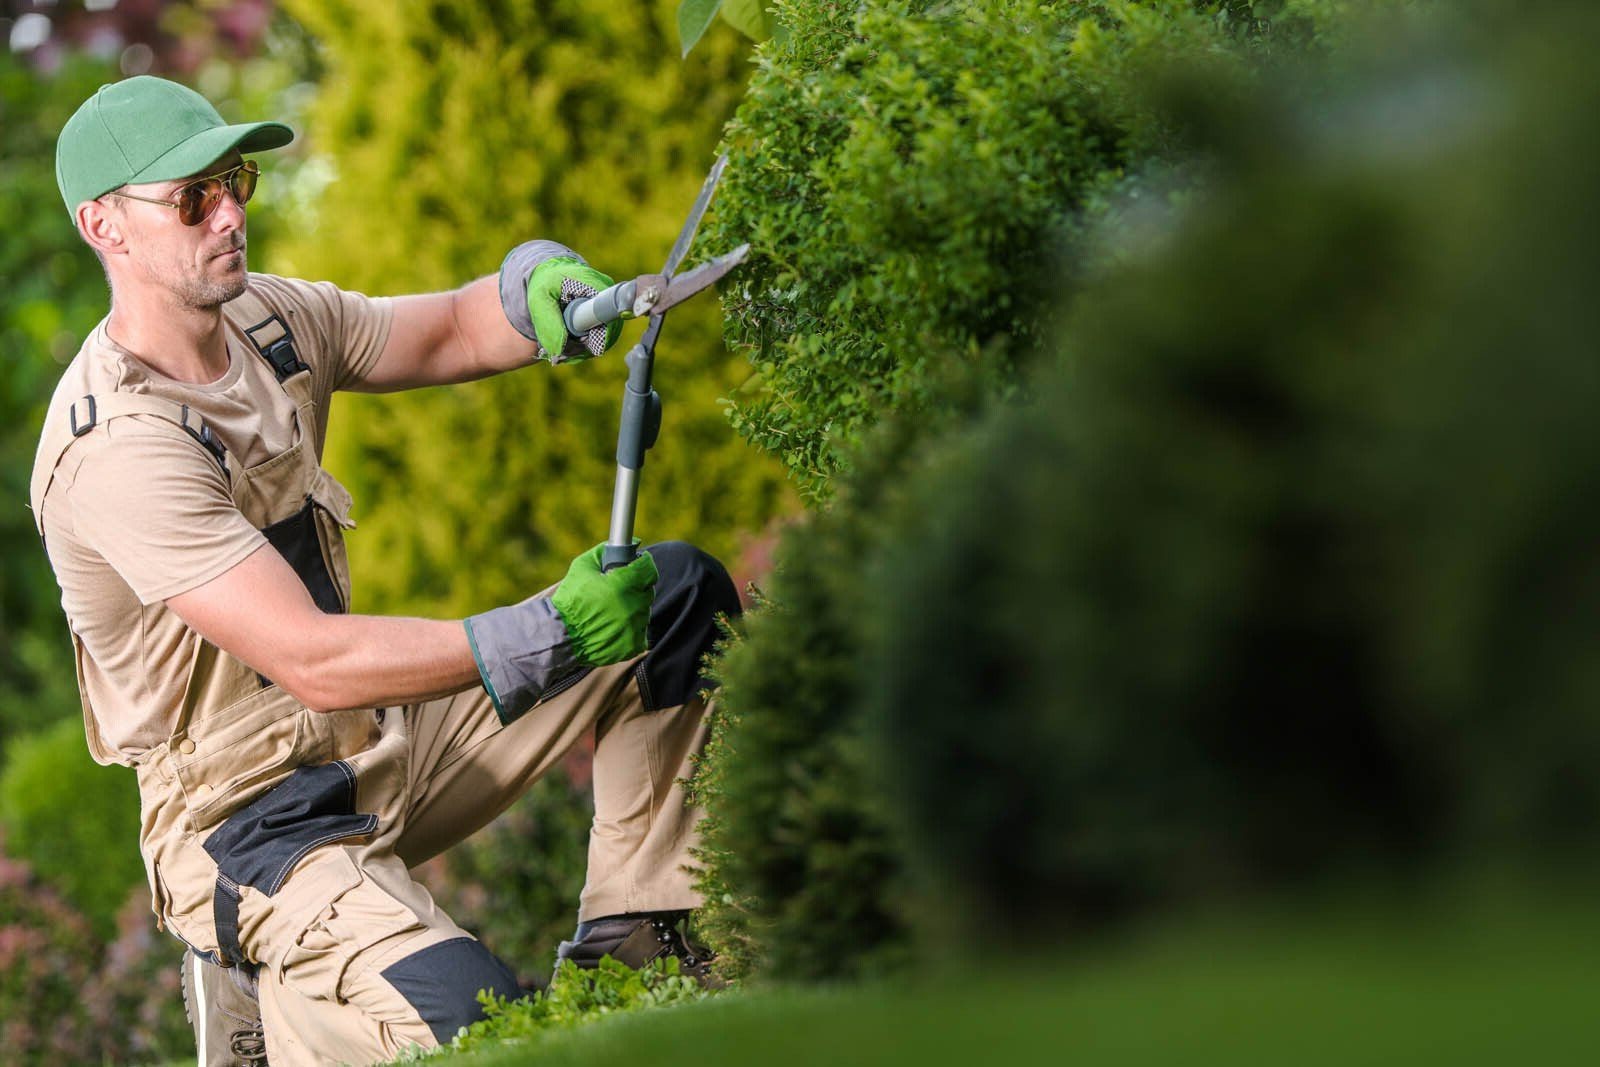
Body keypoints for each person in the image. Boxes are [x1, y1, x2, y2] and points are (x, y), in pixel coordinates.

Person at [31, 75, 740, 1065]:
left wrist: (539, 294)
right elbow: (312, 656)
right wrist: (552, 629)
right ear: (102, 224)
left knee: (674, 598)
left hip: (372, 741)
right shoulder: (118, 449)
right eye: (194, 198)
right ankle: (279, 1011)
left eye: (236, 181)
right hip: (249, 823)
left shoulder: (269, 324)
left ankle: (639, 945)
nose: (230, 213)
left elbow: (448, 328)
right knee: (481, 1027)